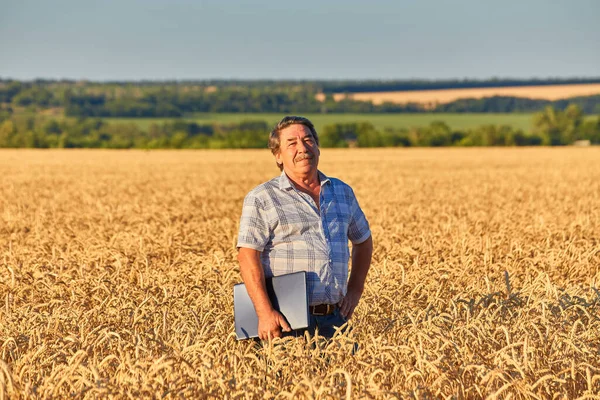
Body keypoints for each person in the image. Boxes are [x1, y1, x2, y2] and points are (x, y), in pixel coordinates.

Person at [236, 116, 373, 341]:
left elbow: (363, 241)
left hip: (336, 319)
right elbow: (247, 255)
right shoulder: (263, 197)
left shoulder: (342, 192)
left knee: (344, 376)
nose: (302, 148)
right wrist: (264, 312)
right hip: (285, 322)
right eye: (291, 143)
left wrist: (355, 290)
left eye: (308, 140)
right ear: (278, 156)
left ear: (318, 148)